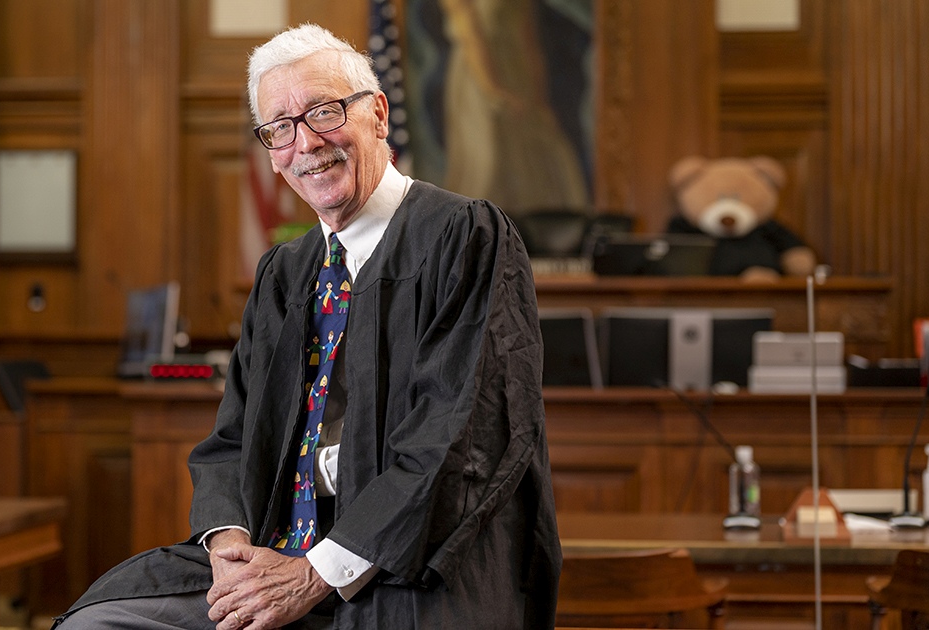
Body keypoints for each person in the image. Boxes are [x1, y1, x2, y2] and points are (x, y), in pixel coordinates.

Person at [52, 23, 560, 630]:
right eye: (280, 128)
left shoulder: (463, 238)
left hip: (408, 568)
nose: (306, 144)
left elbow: (462, 439)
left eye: (323, 113)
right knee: (98, 624)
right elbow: (234, 437)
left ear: (377, 113)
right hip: (274, 554)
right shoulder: (285, 273)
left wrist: (318, 573)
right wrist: (230, 547)